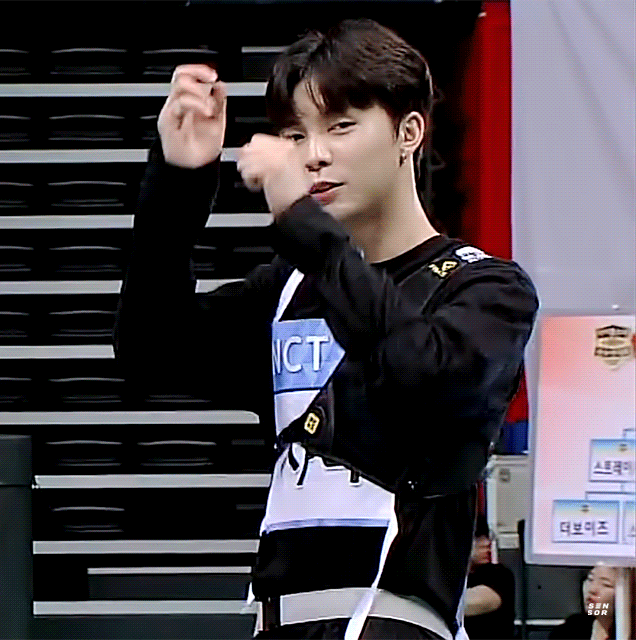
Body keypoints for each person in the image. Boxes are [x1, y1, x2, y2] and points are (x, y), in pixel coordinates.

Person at [113, 18, 539, 640]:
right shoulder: (288, 290)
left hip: (393, 620)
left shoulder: (485, 289)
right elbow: (150, 349)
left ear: (408, 132)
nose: (314, 154)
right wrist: (179, 181)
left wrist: (303, 227)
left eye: (340, 126)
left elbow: (425, 377)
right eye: (294, 134)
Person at [463, 515, 516, 640]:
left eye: (486, 536)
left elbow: (473, 603)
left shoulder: (499, 574)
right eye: (477, 538)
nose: (486, 543)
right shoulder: (446, 577)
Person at [549, 564, 617, 640]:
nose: (591, 590)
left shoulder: (625, 633)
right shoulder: (568, 631)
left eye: (606, 585)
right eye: (590, 579)